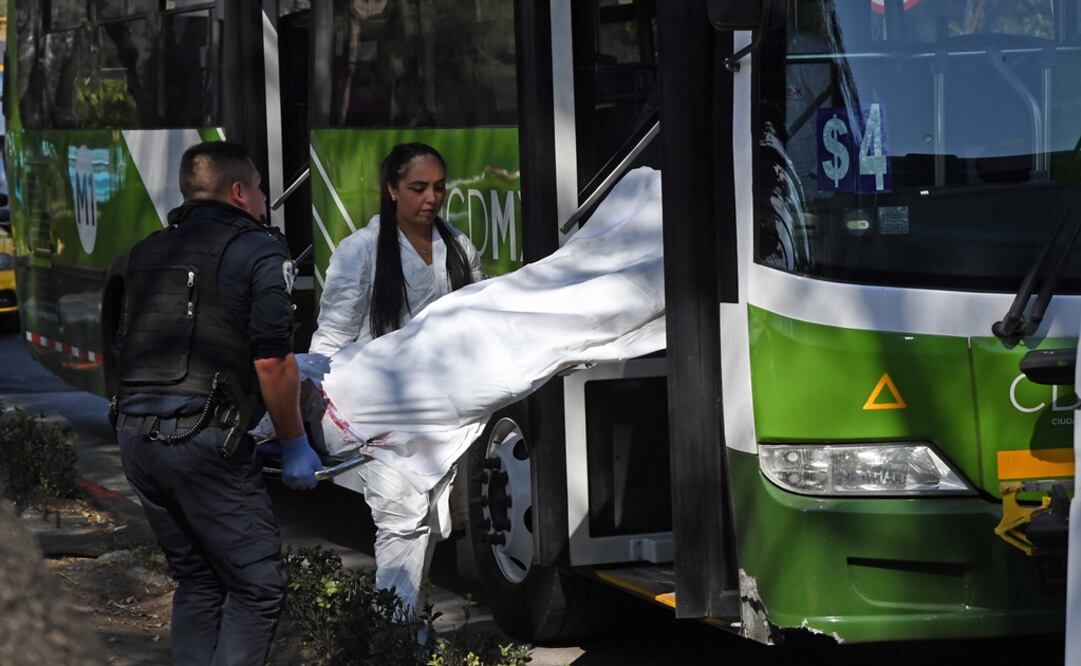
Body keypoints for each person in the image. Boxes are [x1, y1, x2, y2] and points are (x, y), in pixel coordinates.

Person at [113, 141, 323, 665]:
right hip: (200, 442)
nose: (263, 198)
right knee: (257, 586)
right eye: (258, 188)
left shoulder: (147, 250)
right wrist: (295, 443)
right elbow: (273, 360)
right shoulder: (260, 252)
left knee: (200, 580)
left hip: (137, 438)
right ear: (238, 191)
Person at [309, 142, 483, 613]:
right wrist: (314, 406)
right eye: (417, 188)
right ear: (391, 190)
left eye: (439, 187)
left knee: (426, 520)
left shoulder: (458, 247)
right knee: (402, 517)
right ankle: (393, 637)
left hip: (441, 413)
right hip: (379, 412)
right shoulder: (360, 252)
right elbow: (331, 337)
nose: (431, 198)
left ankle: (399, 635)